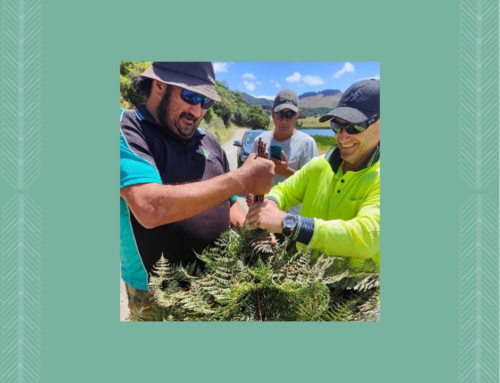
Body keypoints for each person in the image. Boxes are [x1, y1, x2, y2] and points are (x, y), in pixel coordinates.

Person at [120, 62, 275, 320]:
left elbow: (230, 205)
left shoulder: (209, 140)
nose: (197, 110)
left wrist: (252, 233)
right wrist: (242, 178)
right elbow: (149, 207)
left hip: (216, 281)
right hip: (156, 295)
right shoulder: (129, 129)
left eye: (206, 102)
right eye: (191, 96)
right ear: (159, 85)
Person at [246, 79, 380, 269]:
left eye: (355, 126)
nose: (343, 136)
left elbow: (365, 237)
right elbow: (284, 190)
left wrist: (286, 222)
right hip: (304, 281)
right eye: (337, 126)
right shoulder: (319, 165)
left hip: (356, 294)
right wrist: (269, 206)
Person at [248, 89, 317, 215]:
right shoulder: (259, 141)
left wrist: (286, 172)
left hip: (291, 222)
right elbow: (251, 176)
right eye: (280, 114)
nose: (284, 120)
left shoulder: (307, 143)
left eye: (290, 114)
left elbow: (312, 187)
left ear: (298, 114)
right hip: (261, 216)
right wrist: (250, 193)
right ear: (273, 113)